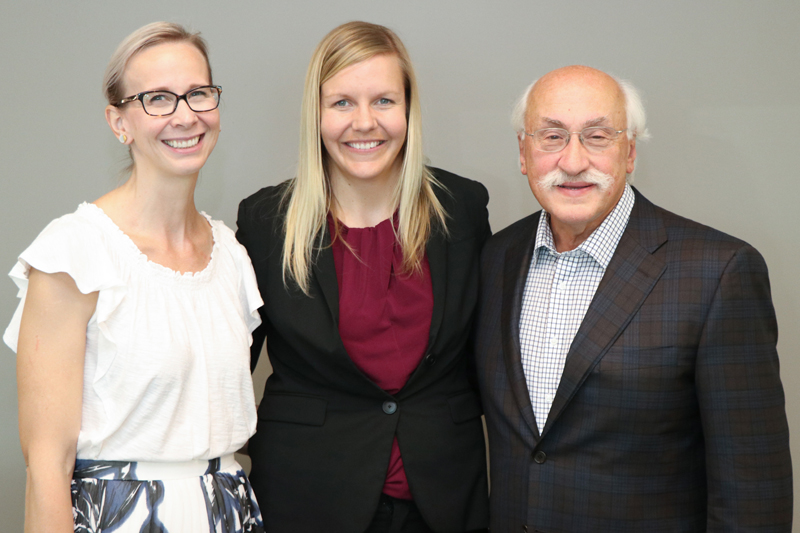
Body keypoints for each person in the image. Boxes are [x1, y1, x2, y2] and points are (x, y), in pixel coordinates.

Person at [475, 65, 793, 532]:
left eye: (597, 136)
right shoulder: (495, 258)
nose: (573, 161)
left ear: (629, 153)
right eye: (552, 137)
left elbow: (753, 489)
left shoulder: (719, 272)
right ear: (523, 153)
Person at [4, 22, 264, 532]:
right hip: (118, 517)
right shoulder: (74, 252)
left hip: (230, 511)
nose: (185, 115)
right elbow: (47, 469)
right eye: (158, 99)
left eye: (198, 94)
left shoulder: (231, 254)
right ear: (118, 122)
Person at [237, 21, 490, 533]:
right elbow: (226, 369)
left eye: (383, 101)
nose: (365, 122)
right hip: (308, 498)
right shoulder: (267, 221)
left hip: (444, 498)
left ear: (408, 109)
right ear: (317, 113)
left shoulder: (462, 208)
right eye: (342, 103)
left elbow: (493, 355)